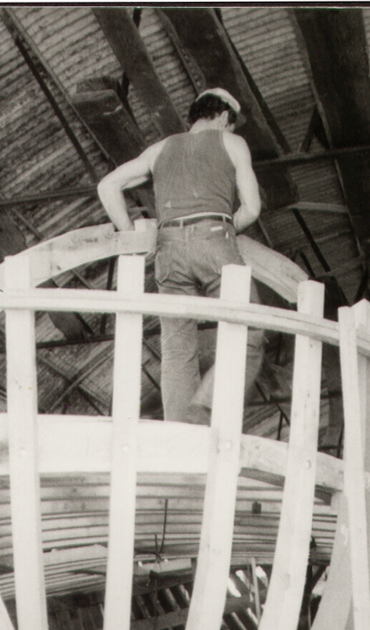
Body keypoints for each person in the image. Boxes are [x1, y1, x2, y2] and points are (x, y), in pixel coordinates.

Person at [97, 87, 263, 424]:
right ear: (224, 117)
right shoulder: (232, 143)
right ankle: (204, 407)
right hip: (214, 239)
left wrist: (130, 233)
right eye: (231, 123)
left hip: (168, 247)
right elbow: (252, 209)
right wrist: (223, 228)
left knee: (177, 346)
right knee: (251, 332)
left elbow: (107, 186)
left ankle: (179, 428)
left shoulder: (158, 149)